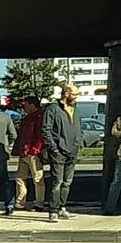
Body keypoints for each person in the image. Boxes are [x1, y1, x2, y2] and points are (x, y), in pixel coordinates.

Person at [41, 84, 82, 222]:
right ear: (66, 94)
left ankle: (62, 207)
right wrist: (53, 147)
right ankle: (53, 210)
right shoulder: (53, 109)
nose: (76, 98)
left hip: (73, 149)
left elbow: (78, 127)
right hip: (58, 150)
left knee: (67, 181)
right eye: (74, 94)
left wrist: (79, 142)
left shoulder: (74, 109)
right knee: (57, 181)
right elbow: (46, 129)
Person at [13, 96, 46, 211]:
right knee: (19, 178)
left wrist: (35, 149)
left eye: (25, 105)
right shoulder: (28, 118)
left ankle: (39, 203)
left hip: (32, 152)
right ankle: (20, 202)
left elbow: (40, 135)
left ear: (32, 105)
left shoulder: (38, 117)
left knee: (37, 179)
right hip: (25, 151)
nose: (23, 108)